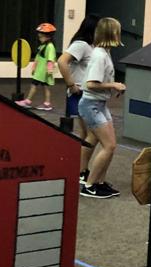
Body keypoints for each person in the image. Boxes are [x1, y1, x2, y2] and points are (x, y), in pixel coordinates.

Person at [78, 17, 125, 199]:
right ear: (112, 33)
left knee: (109, 145)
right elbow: (90, 84)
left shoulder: (104, 53)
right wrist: (113, 85)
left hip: (100, 104)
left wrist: (113, 85)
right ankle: (89, 186)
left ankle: (99, 181)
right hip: (91, 105)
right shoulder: (99, 56)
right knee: (109, 146)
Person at [57, 14, 100, 183]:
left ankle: (80, 169)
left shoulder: (90, 46)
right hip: (81, 94)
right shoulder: (81, 45)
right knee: (93, 134)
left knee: (85, 133)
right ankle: (81, 171)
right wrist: (71, 84)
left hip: (86, 94)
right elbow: (62, 61)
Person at [15, 23, 58, 111]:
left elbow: (51, 59)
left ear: (48, 37)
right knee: (45, 87)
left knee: (34, 85)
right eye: (39, 37)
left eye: (41, 37)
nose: (40, 39)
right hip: (40, 71)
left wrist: (49, 70)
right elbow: (38, 58)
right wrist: (34, 67)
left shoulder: (50, 47)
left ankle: (27, 101)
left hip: (43, 72)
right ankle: (47, 103)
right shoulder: (42, 46)